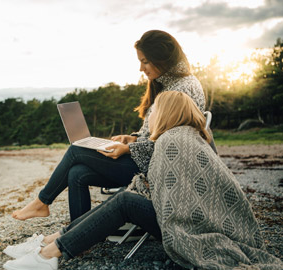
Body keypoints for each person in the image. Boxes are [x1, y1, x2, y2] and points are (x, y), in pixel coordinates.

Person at [2, 91, 282, 270]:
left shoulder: (175, 140)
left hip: (189, 226)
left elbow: (179, 200)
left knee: (125, 201)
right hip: (184, 216)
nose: (151, 116)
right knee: (123, 196)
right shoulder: (184, 135)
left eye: (155, 111)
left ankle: (51, 253)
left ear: (167, 113)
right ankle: (53, 242)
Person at [12, 30, 206, 222]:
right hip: (145, 158)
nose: (141, 68)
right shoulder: (168, 84)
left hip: (155, 168)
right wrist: (133, 138)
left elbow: (172, 145)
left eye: (145, 61)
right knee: (77, 173)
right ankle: (76, 232)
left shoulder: (182, 89)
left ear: (162, 57)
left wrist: (128, 149)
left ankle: (42, 202)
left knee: (76, 150)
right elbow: (157, 133)